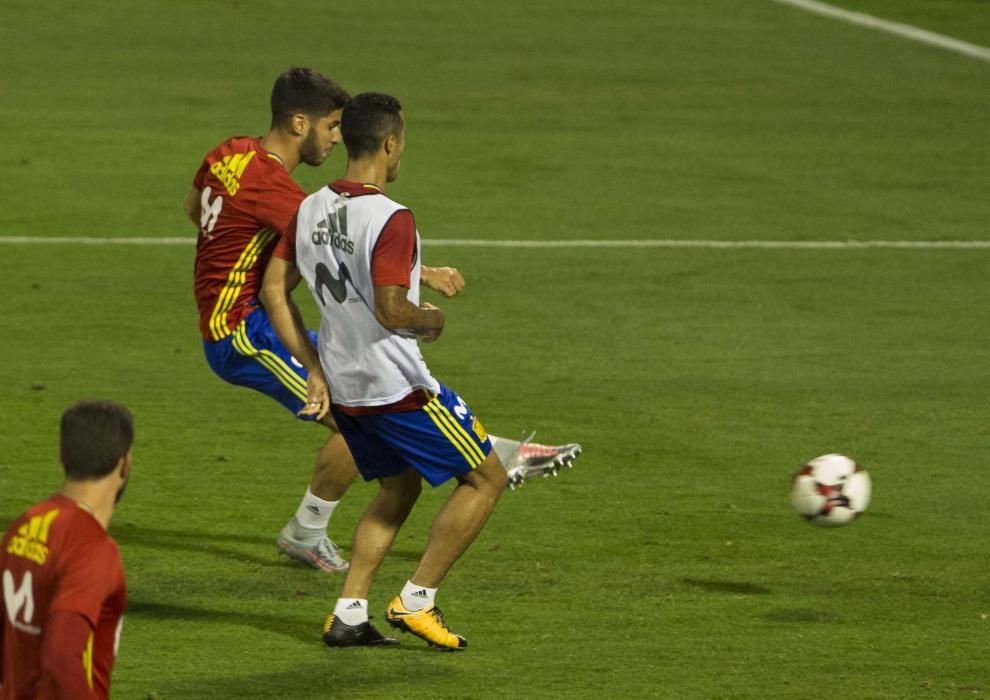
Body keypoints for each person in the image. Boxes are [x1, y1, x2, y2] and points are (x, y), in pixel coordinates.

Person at [184, 68, 580, 574]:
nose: (334, 137)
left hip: (239, 317)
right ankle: (482, 460)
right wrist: (426, 271)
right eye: (329, 126)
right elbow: (335, 247)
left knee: (363, 404)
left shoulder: (231, 151)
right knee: (356, 412)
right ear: (299, 122)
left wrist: (229, 251)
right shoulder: (277, 192)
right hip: (241, 331)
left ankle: (484, 452)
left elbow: (195, 209)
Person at [263, 92, 512, 650]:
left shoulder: (308, 208)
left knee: (399, 485)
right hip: (397, 387)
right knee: (487, 478)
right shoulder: (391, 216)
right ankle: (417, 599)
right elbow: (391, 309)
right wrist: (433, 318)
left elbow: (272, 290)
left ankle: (349, 613)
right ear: (390, 143)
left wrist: (313, 367)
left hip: (346, 385)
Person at [0, 400, 133, 698]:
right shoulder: (93, 550)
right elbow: (61, 656)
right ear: (125, 463)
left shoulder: (26, 524)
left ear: (62, 457)